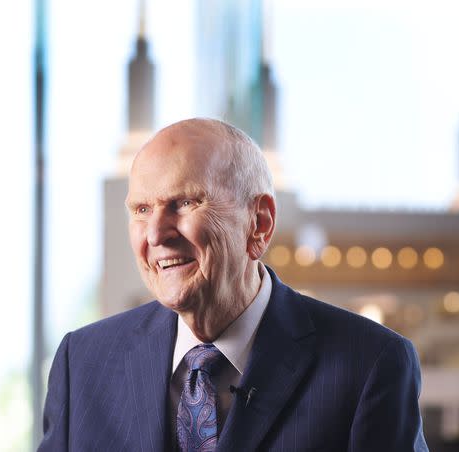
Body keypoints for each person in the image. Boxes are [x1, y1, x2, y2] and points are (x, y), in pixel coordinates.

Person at [38, 118, 429, 451]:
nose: (156, 233)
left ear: (259, 223)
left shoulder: (371, 364)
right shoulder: (83, 364)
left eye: (185, 203)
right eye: (141, 209)